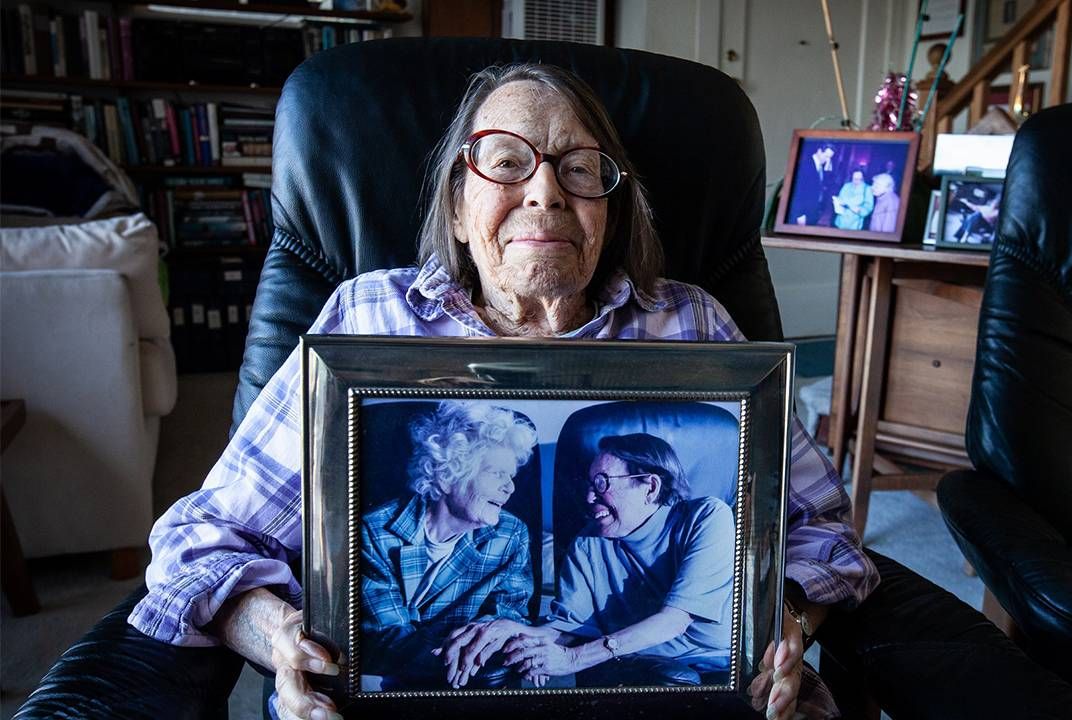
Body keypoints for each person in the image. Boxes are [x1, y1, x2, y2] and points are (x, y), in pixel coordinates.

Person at [128, 63, 877, 720]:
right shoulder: (370, 318)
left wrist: (785, 621)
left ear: (610, 209)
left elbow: (822, 529)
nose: (546, 192)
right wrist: (281, 640)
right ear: (457, 202)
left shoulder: (691, 322)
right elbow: (200, 544)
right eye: (507, 162)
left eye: (580, 169)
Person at [439, 434, 734, 689]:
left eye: (602, 483)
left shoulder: (708, 517)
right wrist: (509, 630)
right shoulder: (587, 541)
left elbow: (674, 621)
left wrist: (572, 660)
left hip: (716, 668)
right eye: (589, 484)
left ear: (650, 487)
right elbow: (567, 628)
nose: (590, 497)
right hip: (641, 668)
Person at [359, 401, 537, 690]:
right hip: (389, 682)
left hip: (471, 682)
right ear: (446, 477)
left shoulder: (510, 534)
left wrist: (487, 635)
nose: (510, 488)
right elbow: (386, 636)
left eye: (511, 476)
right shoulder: (375, 532)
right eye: (496, 474)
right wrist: (460, 649)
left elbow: (510, 613)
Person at [791, 143, 837, 226]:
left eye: (830, 158)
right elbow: (798, 192)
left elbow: (821, 186)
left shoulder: (821, 166)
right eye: (826, 156)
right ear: (819, 151)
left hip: (813, 211)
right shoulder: (805, 164)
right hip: (803, 213)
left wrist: (827, 171)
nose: (827, 160)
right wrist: (799, 214)